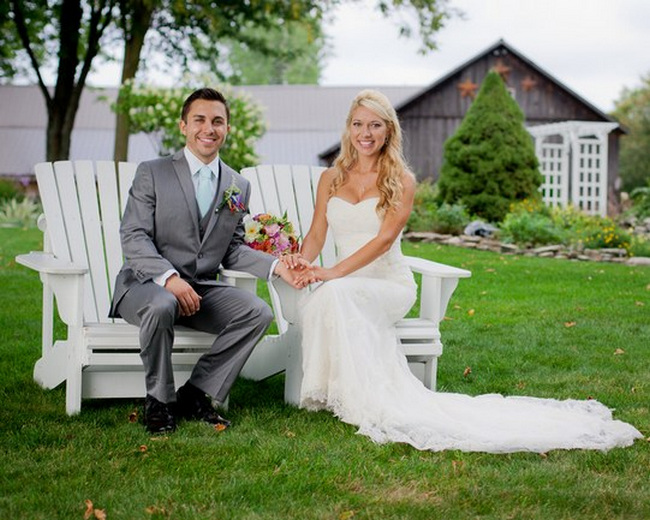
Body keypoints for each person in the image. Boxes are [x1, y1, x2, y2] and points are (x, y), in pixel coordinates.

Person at [284, 89, 642, 453]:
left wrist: (332, 272)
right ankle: (336, 390)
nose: (366, 133)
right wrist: (301, 260)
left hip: (388, 285)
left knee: (334, 290)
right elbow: (316, 233)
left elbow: (383, 241)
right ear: (349, 129)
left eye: (375, 125)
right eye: (359, 124)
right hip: (347, 283)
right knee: (332, 294)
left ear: (389, 130)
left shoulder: (401, 179)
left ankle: (359, 397)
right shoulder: (331, 177)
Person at [110, 87, 298, 434]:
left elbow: (232, 249)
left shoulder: (237, 185)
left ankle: (196, 393)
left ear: (227, 128)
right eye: (200, 120)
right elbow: (133, 236)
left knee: (258, 313)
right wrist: (168, 278)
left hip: (200, 290)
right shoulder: (153, 172)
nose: (208, 129)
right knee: (162, 304)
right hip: (145, 287)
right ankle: (159, 401)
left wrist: (276, 266)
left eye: (218, 121)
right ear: (183, 125)